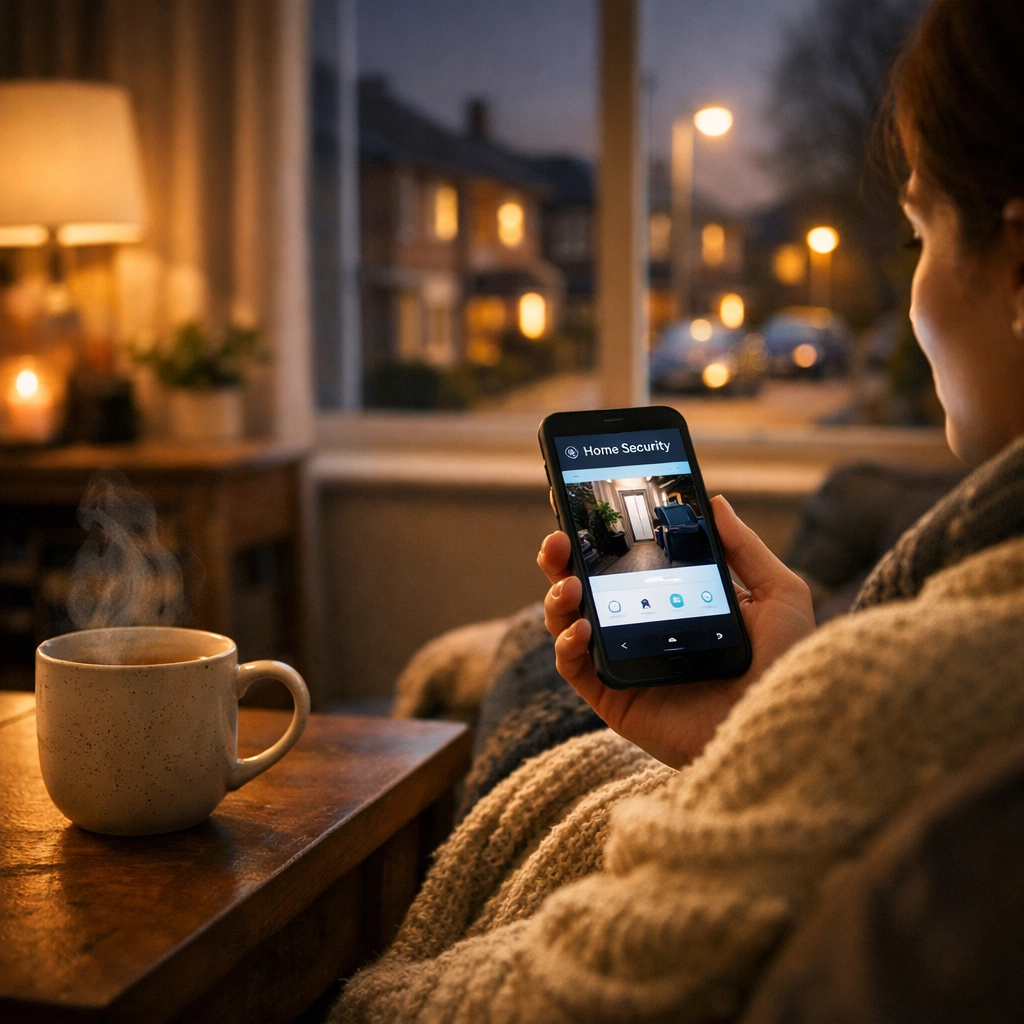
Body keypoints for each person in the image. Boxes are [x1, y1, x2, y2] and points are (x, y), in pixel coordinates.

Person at [333, 2, 1024, 1020]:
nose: (913, 283)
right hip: (718, 734)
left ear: (1018, 267)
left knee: (536, 641)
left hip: (612, 810)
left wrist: (784, 727)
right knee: (555, 628)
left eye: (917, 226)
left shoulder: (906, 697)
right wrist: (755, 722)